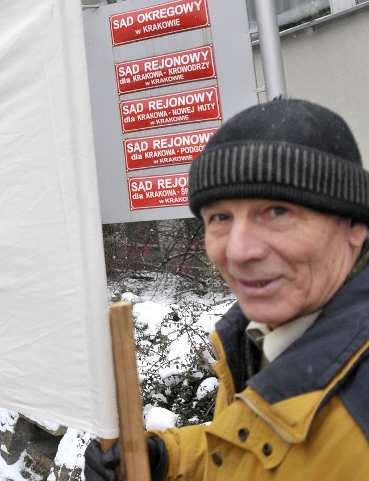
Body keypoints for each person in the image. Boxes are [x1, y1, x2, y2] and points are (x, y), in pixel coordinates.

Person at [86, 98, 369, 480]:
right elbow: (259, 449)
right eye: (219, 217)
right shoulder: (258, 337)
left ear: (354, 225)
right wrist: (166, 458)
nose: (237, 250)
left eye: (277, 212)